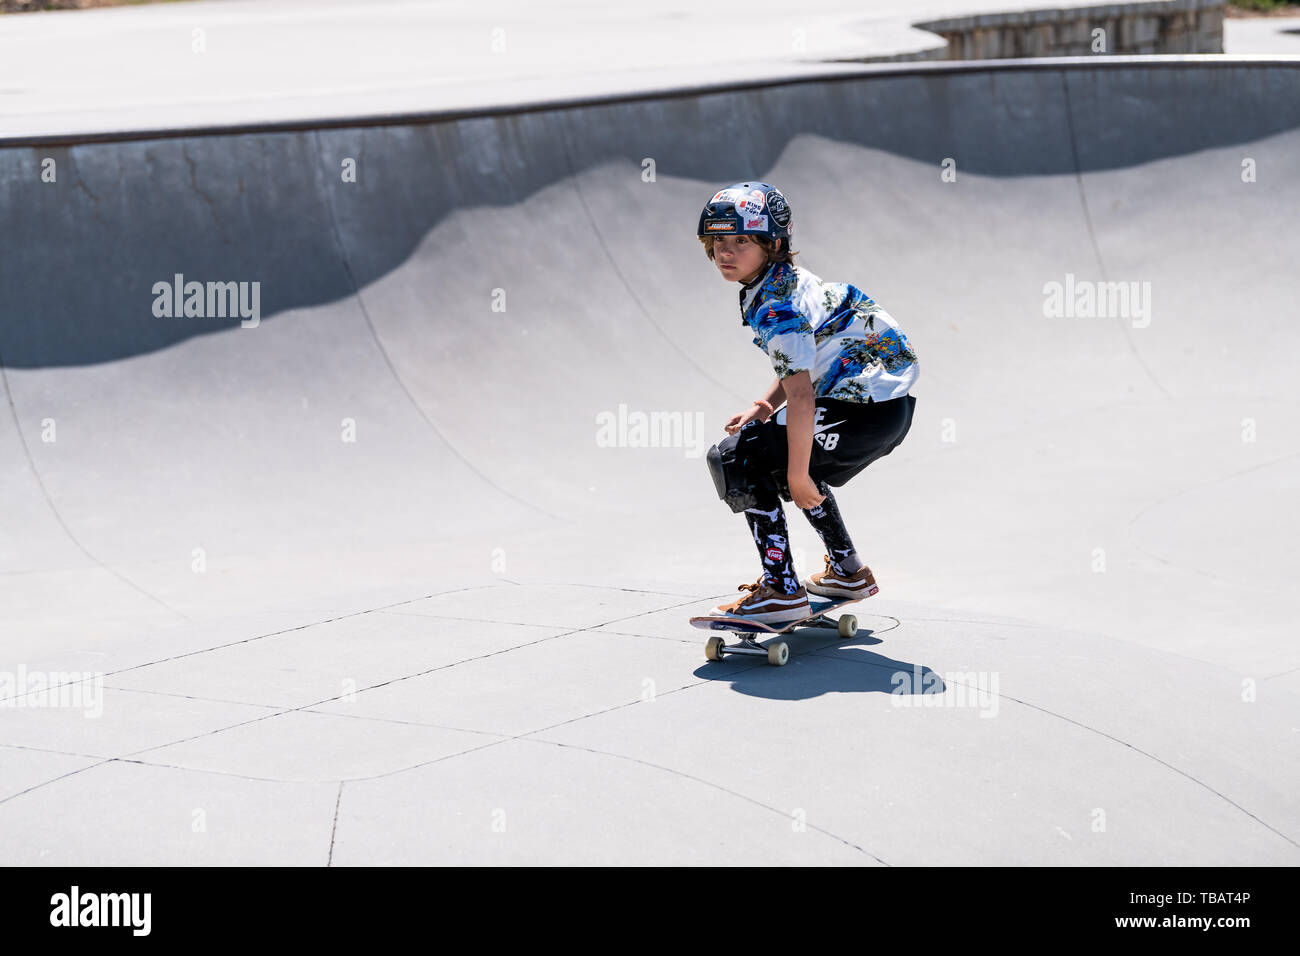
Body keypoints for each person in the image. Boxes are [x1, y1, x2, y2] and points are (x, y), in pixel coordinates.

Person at [700, 181, 919, 623]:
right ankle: (847, 571)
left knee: (737, 457)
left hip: (864, 411)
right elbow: (801, 365)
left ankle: (780, 590)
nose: (726, 252)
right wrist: (763, 407)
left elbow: (801, 396)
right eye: (718, 241)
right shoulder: (787, 281)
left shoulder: (776, 305)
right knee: (776, 452)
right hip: (882, 406)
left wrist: (798, 475)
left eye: (741, 240)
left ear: (773, 243)